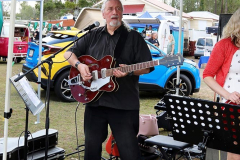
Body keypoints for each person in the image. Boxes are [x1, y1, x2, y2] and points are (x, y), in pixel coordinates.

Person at [63, 0, 154, 159]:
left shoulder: (133, 37)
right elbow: (68, 53)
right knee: (91, 150)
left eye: (118, 9)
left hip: (123, 105)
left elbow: (147, 67)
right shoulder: (93, 34)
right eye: (111, 9)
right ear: (103, 13)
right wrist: (79, 66)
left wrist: (130, 72)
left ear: (122, 13)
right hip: (95, 103)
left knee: (130, 153)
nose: (115, 12)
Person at [203, 7, 240, 160]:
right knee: (235, 150)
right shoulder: (224, 45)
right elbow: (207, 75)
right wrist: (227, 94)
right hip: (231, 105)